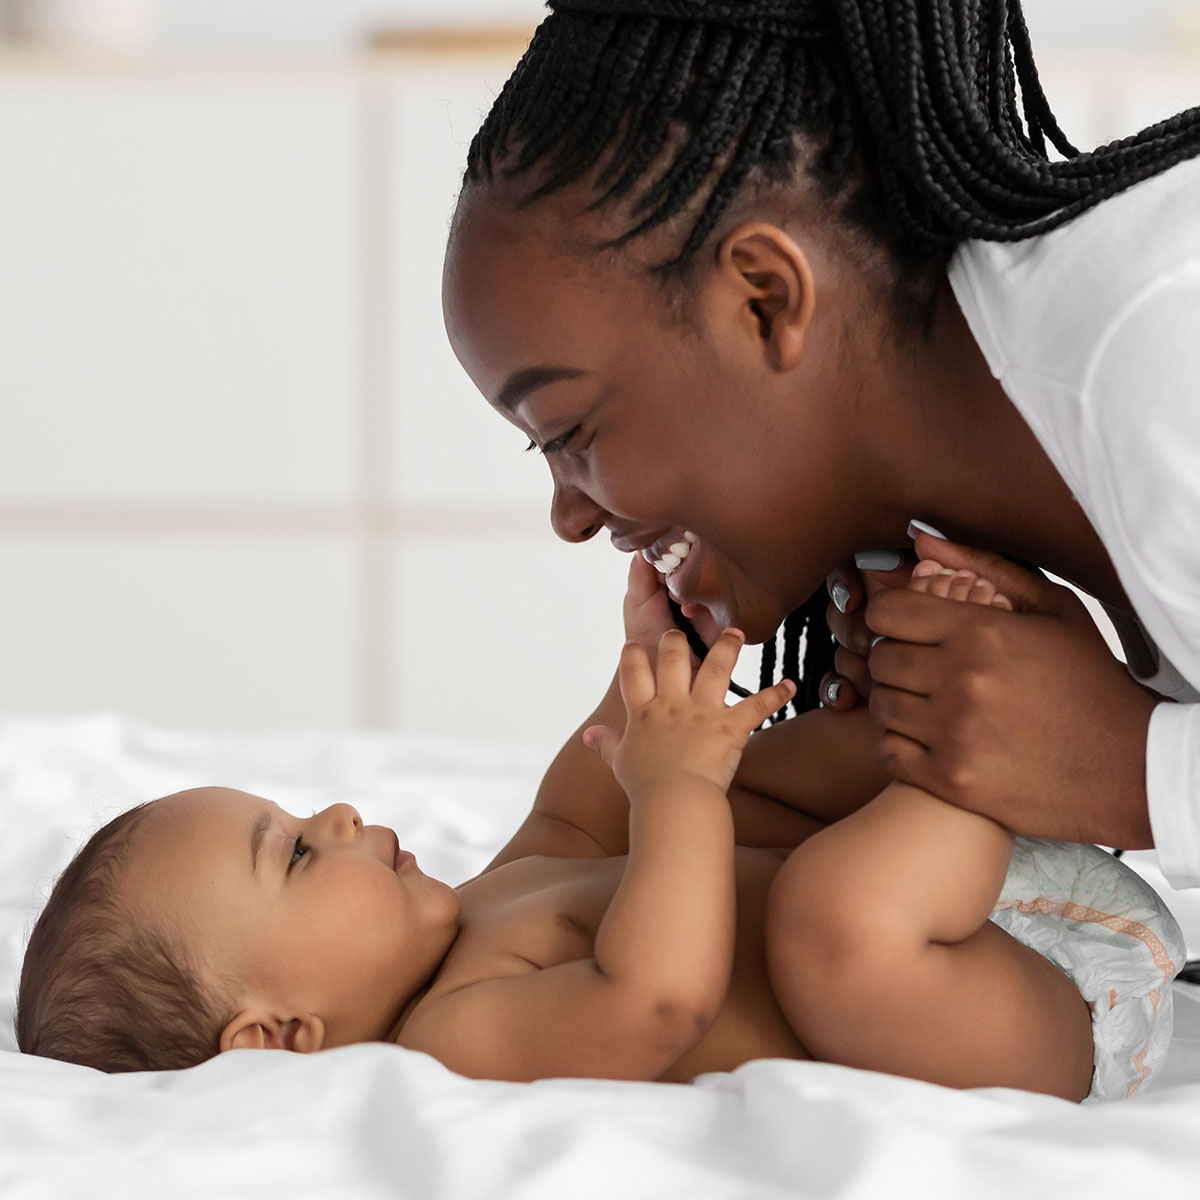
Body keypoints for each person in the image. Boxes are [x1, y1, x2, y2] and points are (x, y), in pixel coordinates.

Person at [439, 0, 1200, 885]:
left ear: (765, 299)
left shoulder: (1165, 356)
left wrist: (1133, 769)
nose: (569, 517)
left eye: (568, 430)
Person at [14, 553, 1184, 1102]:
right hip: (1040, 1004)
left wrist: (653, 660)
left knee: (743, 778)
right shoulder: (454, 1042)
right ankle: (974, 751)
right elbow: (655, 1000)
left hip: (980, 904)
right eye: (297, 853)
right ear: (279, 1036)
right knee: (820, 914)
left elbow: (587, 799)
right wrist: (675, 795)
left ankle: (917, 716)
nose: (335, 812)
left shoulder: (479, 903)